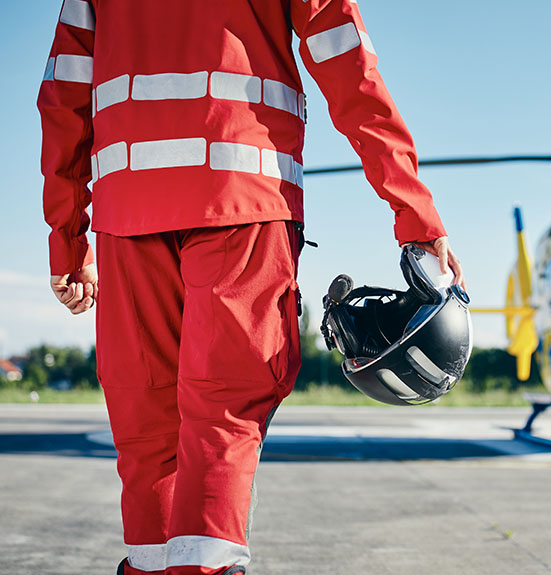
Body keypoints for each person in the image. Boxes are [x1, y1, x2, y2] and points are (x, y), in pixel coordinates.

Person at [38, 1, 463, 574]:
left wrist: (67, 238)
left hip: (127, 210)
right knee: (224, 406)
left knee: (146, 416)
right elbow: (350, 71)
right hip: (243, 195)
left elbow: (64, 95)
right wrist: (414, 213)